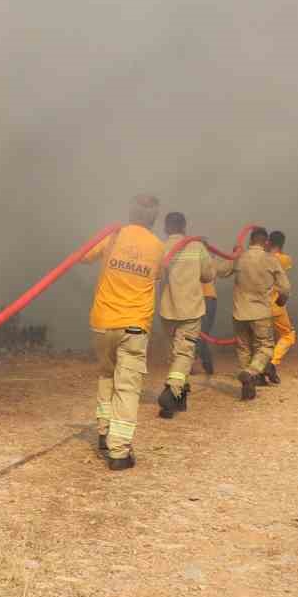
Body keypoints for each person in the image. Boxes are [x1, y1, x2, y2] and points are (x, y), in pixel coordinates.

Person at [80, 195, 164, 470]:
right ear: (153, 218)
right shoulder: (157, 247)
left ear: (130, 212)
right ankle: (119, 452)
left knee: (106, 375)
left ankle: (104, 433)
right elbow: (158, 276)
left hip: (103, 322)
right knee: (127, 387)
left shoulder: (112, 237)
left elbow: (83, 256)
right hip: (134, 326)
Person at [215, 227, 290, 401]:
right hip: (261, 312)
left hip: (239, 312)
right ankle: (251, 372)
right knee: (265, 347)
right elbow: (285, 287)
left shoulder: (240, 257)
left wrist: (232, 254)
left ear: (250, 241)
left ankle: (246, 387)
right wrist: (282, 299)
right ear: (266, 242)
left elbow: (220, 271)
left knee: (243, 348)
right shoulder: (270, 259)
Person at [156, 212, 214, 419]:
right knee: (185, 353)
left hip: (168, 309)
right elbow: (209, 275)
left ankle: (180, 395)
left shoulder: (160, 247)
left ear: (166, 228)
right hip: (190, 309)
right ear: (184, 227)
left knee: (175, 353)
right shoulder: (196, 247)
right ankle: (172, 390)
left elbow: (155, 275)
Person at [265, 231, 295, 385]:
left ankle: (257, 371)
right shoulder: (285, 259)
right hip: (276, 304)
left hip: (258, 305)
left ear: (268, 242)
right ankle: (272, 364)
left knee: (263, 340)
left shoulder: (261, 259)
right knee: (288, 336)